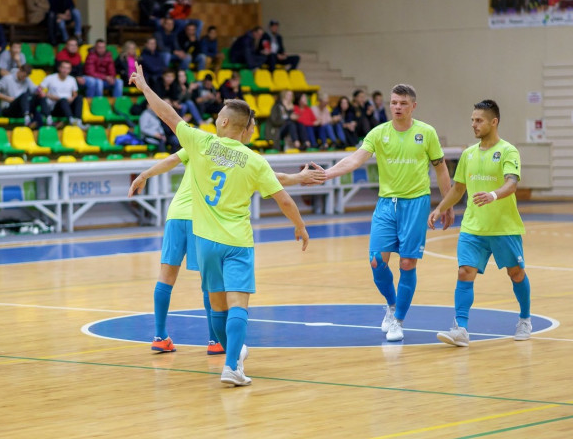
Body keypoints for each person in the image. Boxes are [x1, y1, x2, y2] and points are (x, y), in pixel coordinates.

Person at [130, 62, 312, 387]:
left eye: (218, 115)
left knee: (216, 304)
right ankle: (231, 365)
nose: (215, 117)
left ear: (225, 121)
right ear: (246, 128)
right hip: (237, 241)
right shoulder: (255, 161)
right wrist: (299, 225)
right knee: (239, 303)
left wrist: (144, 87)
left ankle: (230, 358)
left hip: (206, 241)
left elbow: (168, 114)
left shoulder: (200, 143)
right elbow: (283, 198)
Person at [128, 125, 326, 356]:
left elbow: (171, 159)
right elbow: (271, 179)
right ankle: (215, 340)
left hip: (175, 215)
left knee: (166, 276)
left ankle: (160, 336)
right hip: (203, 218)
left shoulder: (201, 143)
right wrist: (299, 178)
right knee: (210, 281)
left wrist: (144, 175)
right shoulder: (237, 155)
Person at [323, 84, 454, 342]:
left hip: (416, 204)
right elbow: (354, 160)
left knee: (407, 263)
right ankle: (392, 305)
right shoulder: (378, 133)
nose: (397, 107)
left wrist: (447, 204)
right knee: (376, 261)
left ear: (413, 106)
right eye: (394, 102)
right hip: (386, 205)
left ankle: (399, 320)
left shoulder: (426, 133)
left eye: (403, 103)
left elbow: (441, 170)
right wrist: (326, 174)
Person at [431, 99, 532, 346]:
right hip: (472, 227)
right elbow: (458, 189)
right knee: (464, 272)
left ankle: (525, 319)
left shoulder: (508, 151)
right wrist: (440, 208)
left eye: (479, 120)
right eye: (472, 120)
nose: (474, 125)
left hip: (503, 227)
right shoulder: (468, 154)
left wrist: (493, 195)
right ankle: (461, 329)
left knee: (516, 273)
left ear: (493, 122)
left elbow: (512, 183)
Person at [41, 60, 85, 128]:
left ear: (70, 70)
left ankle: (78, 121)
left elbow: (75, 93)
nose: (65, 70)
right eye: (63, 68)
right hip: (55, 107)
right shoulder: (50, 78)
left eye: (68, 68)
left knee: (79, 97)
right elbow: (38, 90)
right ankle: (71, 120)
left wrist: (72, 98)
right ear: (59, 68)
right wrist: (49, 95)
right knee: (63, 100)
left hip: (68, 105)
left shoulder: (72, 79)